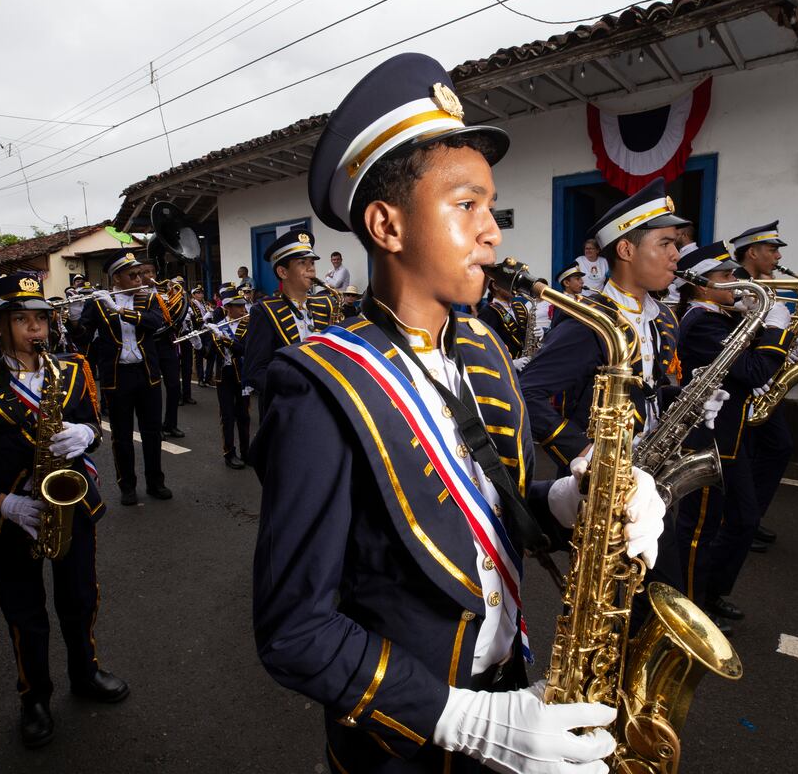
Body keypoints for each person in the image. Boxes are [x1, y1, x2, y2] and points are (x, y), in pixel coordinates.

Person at [253, 52, 667, 774]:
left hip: (516, 693)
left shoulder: (482, 347)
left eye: (491, 206)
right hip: (407, 734)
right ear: (387, 225)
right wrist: (463, 720)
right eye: (466, 205)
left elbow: (495, 505)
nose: (493, 232)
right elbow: (295, 630)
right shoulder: (318, 384)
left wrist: (576, 501)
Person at [0, 273, 128, 749]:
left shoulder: (71, 369)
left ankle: (85, 672)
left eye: (41, 318)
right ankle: (33, 696)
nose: (36, 328)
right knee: (25, 612)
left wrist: (87, 434)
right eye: (22, 319)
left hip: (70, 503)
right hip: (12, 511)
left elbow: (90, 424)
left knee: (80, 599)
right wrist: (3, 502)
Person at [521, 178, 723, 475]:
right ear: (626, 250)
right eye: (665, 243)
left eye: (675, 244)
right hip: (593, 481)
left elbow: (647, 389)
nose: (676, 255)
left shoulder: (663, 317)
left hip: (644, 473)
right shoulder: (590, 320)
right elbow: (527, 394)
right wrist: (585, 453)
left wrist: (687, 400)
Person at [669, 244, 792, 635]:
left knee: (743, 520)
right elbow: (753, 370)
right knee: (698, 529)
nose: (736, 283)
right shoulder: (701, 322)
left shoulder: (720, 316)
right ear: (701, 285)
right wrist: (775, 328)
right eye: (725, 277)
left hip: (732, 437)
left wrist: (761, 321)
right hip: (709, 439)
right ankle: (688, 608)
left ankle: (710, 592)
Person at [79, 251, 171, 505]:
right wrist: (73, 319)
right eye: (133, 275)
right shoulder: (98, 303)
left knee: (152, 432)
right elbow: (82, 337)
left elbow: (154, 322)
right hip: (118, 376)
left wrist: (119, 310)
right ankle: (127, 486)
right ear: (116, 278)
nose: (139, 279)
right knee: (121, 436)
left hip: (147, 374)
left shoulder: (148, 298)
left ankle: (156, 482)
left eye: (141, 274)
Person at [727, 221, 796, 551]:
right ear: (752, 252)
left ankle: (748, 518)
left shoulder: (765, 284)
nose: (778, 256)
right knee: (747, 453)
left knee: (777, 447)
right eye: (772, 249)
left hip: (764, 379)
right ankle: (739, 522)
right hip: (746, 378)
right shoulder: (735, 284)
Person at [239, 229, 335, 412]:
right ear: (283, 272)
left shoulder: (325, 305)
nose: (311, 268)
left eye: (312, 262)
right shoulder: (264, 311)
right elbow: (255, 371)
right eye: (302, 263)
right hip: (285, 411)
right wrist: (294, 388)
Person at [139, 263, 188, 438]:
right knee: (154, 388)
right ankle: (156, 426)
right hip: (149, 343)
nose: (150, 275)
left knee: (174, 385)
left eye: (152, 271)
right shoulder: (137, 295)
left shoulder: (165, 292)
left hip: (167, 342)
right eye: (146, 272)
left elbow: (177, 313)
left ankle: (171, 424)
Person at [206, 287, 250, 469]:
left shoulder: (248, 325)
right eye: (238, 306)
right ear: (228, 308)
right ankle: (229, 453)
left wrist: (224, 339)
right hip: (224, 376)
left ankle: (246, 452)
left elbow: (243, 349)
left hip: (242, 374)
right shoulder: (218, 326)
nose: (243, 309)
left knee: (244, 415)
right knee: (227, 416)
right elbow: (209, 354)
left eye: (243, 305)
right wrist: (201, 341)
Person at [477, 278, 529, 359]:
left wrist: (537, 334)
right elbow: (485, 344)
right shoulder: (488, 312)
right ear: (495, 286)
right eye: (509, 283)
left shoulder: (519, 306)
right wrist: (512, 363)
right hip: (504, 362)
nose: (513, 287)